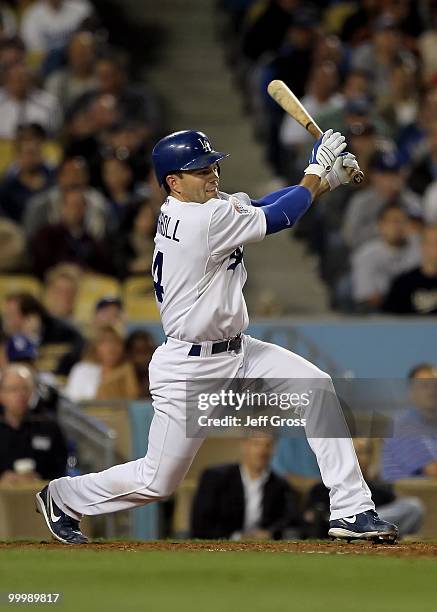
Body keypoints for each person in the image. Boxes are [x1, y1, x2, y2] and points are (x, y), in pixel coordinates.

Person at [35, 128, 398, 544]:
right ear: (173, 181)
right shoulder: (198, 219)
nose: (212, 175)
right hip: (191, 367)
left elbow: (261, 204)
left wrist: (324, 182)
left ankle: (352, 509)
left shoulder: (201, 205)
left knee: (316, 386)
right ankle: (64, 496)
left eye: (212, 166)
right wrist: (314, 171)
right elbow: (282, 216)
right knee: (158, 481)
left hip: (239, 352)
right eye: (199, 170)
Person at [303, 438, 424, 539]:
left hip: (377, 526)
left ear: (370, 458)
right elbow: (309, 517)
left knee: (413, 506)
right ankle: (353, 524)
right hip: (331, 532)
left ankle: (363, 526)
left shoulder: (381, 489)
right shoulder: (323, 487)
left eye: (363, 453)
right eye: (353, 452)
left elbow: (401, 513)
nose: (357, 458)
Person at [191, 435, 299, 540]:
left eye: (268, 445)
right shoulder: (215, 478)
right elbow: (202, 522)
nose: (262, 451)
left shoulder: (280, 485)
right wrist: (237, 538)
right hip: (222, 547)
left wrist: (269, 533)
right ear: (244, 445)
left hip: (263, 549)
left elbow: (289, 519)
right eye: (256, 444)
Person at [0, 364, 67, 484]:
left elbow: (61, 468)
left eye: (25, 388)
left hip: (41, 494)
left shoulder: (48, 425)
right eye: (13, 389)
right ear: (1, 394)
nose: (20, 395)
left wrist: (41, 481)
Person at [351, 203, 421, 311]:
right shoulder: (366, 255)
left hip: (418, 308)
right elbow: (367, 297)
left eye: (402, 221)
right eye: (392, 222)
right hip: (381, 312)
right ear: (381, 226)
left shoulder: (421, 247)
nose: (397, 227)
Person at [2, 291, 84, 375]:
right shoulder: (6, 337)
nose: (6, 320)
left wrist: (31, 339)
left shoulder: (65, 334)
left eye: (11, 315)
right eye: (6, 314)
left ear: (29, 317)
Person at [382, 363, 437, 480]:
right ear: (411, 392)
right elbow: (433, 470)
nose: (432, 391)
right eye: (425, 386)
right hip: (407, 496)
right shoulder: (402, 426)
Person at [64, 325, 140, 402]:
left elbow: (134, 401)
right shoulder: (82, 370)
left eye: (116, 341)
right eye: (105, 342)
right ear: (95, 346)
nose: (111, 347)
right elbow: (72, 401)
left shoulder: (129, 370)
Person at [382, 224, 437, 314]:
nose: (435, 248)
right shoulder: (403, 284)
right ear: (422, 246)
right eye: (431, 243)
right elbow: (389, 320)